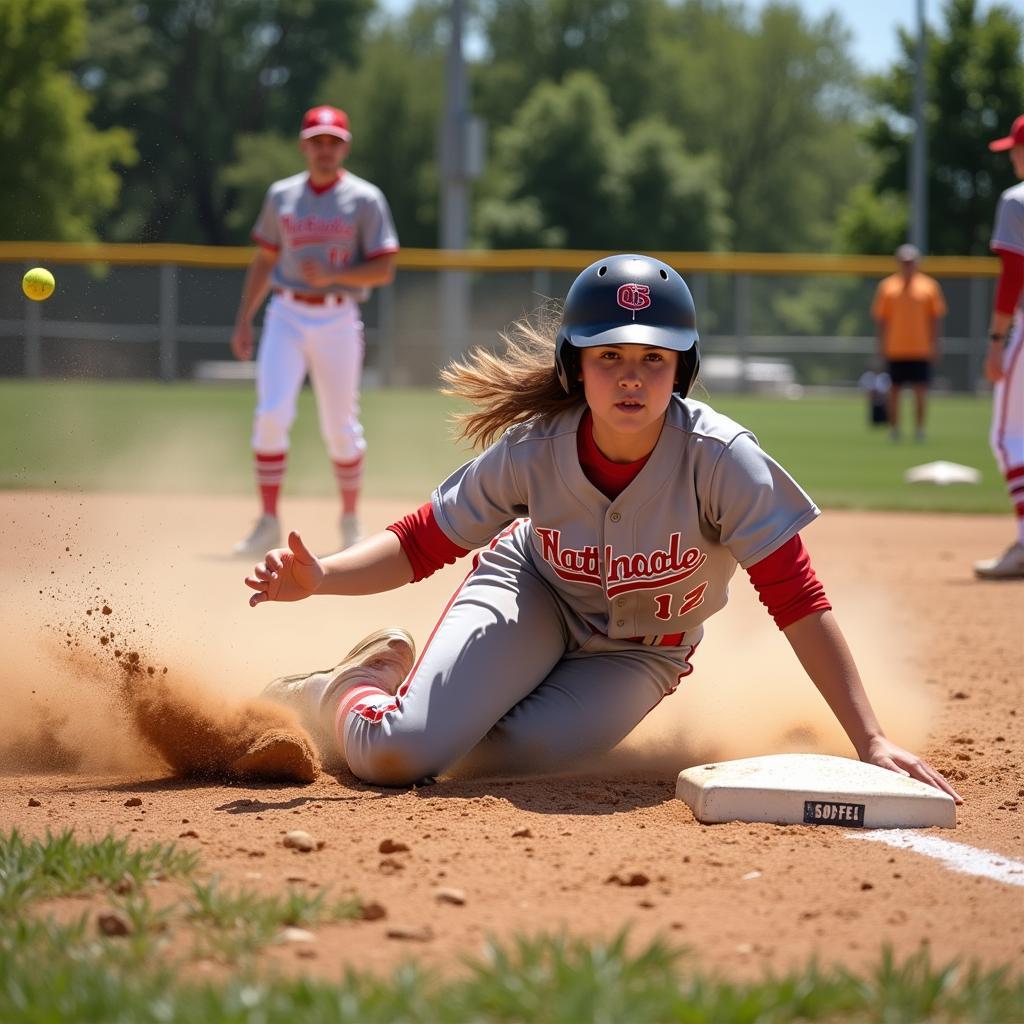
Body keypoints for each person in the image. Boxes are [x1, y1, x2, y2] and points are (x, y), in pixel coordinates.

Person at [243, 254, 961, 804]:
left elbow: (796, 598)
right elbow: (424, 540)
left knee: (482, 760)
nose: (631, 376)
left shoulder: (722, 460)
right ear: (575, 366)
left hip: (639, 654)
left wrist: (870, 740)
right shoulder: (535, 448)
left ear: (680, 371)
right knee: (399, 756)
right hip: (533, 595)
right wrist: (324, 577)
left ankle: (432, 697)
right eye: (609, 355)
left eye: (654, 358)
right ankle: (344, 689)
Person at [229, 105, 400, 557]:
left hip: (338, 317)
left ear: (345, 146)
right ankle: (267, 522)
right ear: (304, 145)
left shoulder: (364, 198)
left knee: (341, 427)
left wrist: (331, 279)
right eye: (317, 141)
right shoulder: (282, 195)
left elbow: (383, 268)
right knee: (270, 414)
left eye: (333, 141)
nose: (325, 149)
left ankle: (349, 522)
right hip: (285, 313)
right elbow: (265, 259)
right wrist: (245, 318)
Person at [974, 115, 1024, 580]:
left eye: (1015, 147)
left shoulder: (1016, 199)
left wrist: (996, 342)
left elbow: (1013, 276)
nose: (1011, 154)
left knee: (1009, 437)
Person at [871, 244, 947, 443]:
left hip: (920, 349)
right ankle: (894, 430)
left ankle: (919, 430)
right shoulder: (888, 287)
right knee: (893, 391)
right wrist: (880, 346)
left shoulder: (929, 287)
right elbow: (881, 320)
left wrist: (935, 344)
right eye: (904, 262)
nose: (908, 265)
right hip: (895, 348)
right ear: (898, 263)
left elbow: (936, 318)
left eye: (911, 261)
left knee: (920, 392)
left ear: (917, 263)